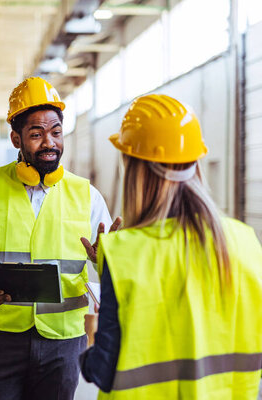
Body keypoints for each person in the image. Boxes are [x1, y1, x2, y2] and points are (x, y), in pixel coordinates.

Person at [80, 94, 262, 399]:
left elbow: (103, 369)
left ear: (136, 170)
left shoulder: (123, 253)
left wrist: (84, 355)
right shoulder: (245, 240)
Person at [0, 76, 119, 400]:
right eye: (37, 134)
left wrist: (105, 260)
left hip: (63, 344)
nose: (49, 142)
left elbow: (112, 274)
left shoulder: (87, 195)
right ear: (16, 139)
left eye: (56, 132)